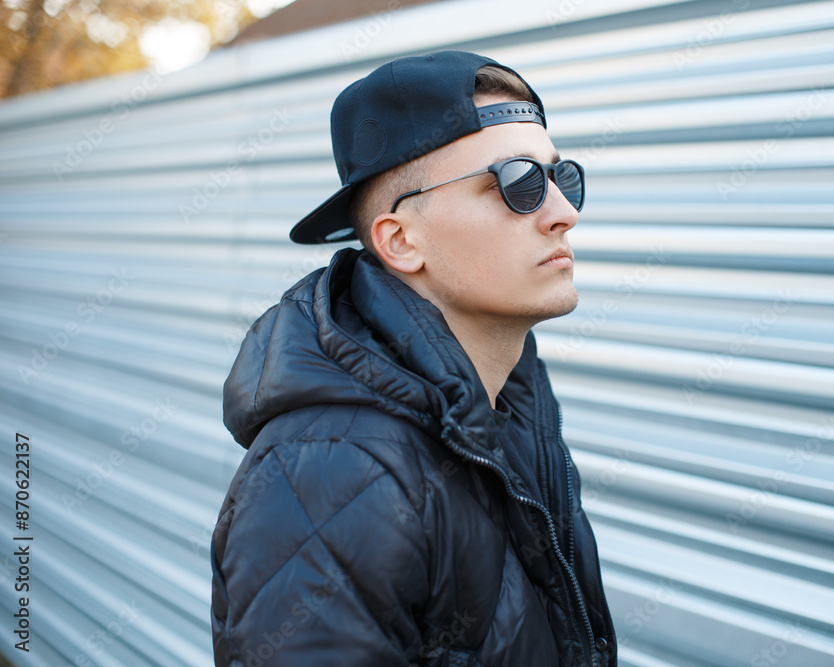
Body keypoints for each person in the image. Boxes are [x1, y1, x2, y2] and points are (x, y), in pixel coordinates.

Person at [210, 50, 616, 667]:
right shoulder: (331, 476)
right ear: (401, 241)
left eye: (562, 178)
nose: (564, 213)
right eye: (518, 184)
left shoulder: (509, 409)